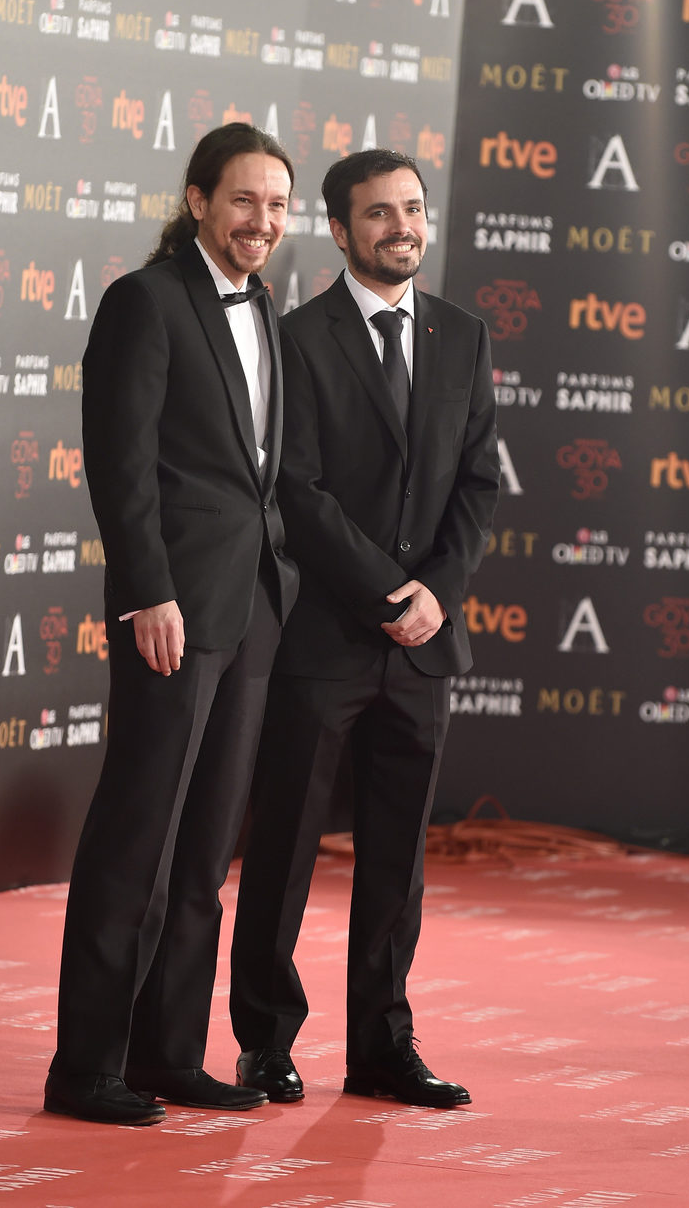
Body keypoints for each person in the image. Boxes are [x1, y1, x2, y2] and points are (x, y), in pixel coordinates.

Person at [230, 148, 499, 1109]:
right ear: (339, 231)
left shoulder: (463, 336)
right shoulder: (296, 338)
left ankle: (383, 1047)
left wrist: (437, 594)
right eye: (379, 213)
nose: (402, 227)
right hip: (325, 641)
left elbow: (478, 482)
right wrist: (392, 595)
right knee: (285, 851)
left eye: (414, 209)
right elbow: (294, 491)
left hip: (427, 645)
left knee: (397, 860)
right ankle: (264, 1041)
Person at [44, 123, 299, 1126]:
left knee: (203, 849)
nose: (262, 222)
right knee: (136, 836)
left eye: (277, 205)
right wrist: (147, 590)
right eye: (244, 200)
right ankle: (85, 1066)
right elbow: (122, 462)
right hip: (171, 610)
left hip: (252, 608)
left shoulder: (266, 306)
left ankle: (170, 1051)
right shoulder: (145, 301)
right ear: (198, 200)